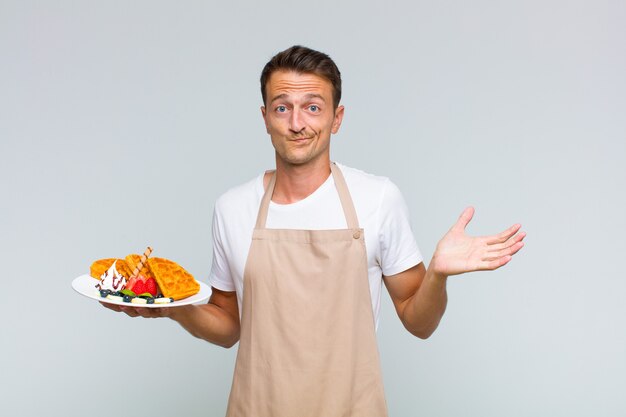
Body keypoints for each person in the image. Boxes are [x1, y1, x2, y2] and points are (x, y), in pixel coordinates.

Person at [103, 45, 525, 416]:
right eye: (282, 107)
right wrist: (174, 308)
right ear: (265, 117)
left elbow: (420, 322)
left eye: (313, 106)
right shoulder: (232, 208)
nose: (297, 122)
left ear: (336, 118)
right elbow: (229, 326)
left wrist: (437, 275)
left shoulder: (376, 198)